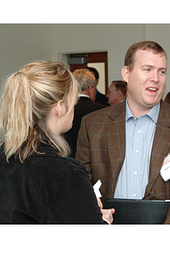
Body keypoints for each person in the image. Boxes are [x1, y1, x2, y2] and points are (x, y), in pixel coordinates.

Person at [76, 41, 170, 224]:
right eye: (147, 69)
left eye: (161, 71)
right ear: (126, 73)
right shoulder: (93, 124)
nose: (155, 78)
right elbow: (82, 185)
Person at [0, 61, 114, 224]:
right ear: (60, 107)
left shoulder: (6, 157)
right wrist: (102, 220)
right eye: (73, 101)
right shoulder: (66, 173)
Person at [63, 68, 107, 158]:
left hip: (67, 159)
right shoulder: (103, 111)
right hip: (94, 161)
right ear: (90, 88)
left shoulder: (63, 110)